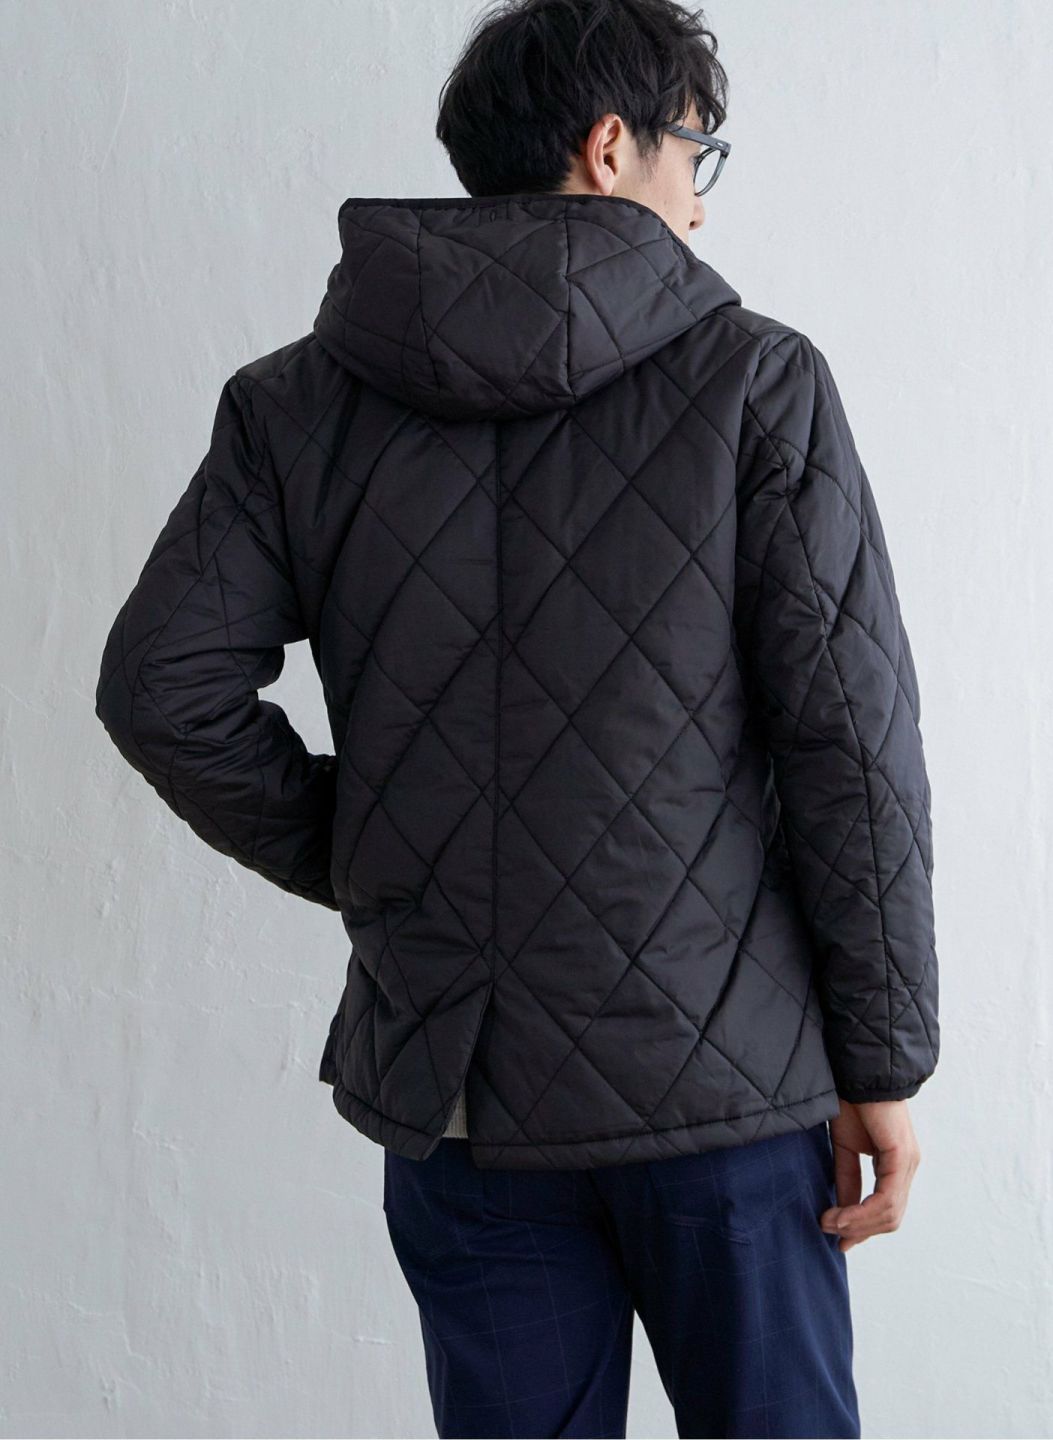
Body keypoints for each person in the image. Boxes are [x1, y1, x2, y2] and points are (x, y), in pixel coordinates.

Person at [94, 1, 940, 1435]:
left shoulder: (296, 405)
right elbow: (852, 751)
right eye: (695, 152)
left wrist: (383, 856)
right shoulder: (757, 383)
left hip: (463, 1094)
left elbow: (158, 689)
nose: (699, 196)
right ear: (612, 147)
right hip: (723, 1086)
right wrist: (884, 1060)